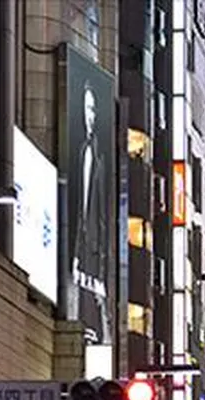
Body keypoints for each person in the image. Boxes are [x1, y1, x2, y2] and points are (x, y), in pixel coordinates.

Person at [70, 79, 112, 344]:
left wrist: (103, 257)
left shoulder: (101, 156)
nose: (90, 115)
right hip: (80, 240)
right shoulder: (80, 150)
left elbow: (102, 214)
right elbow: (78, 206)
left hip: (95, 247)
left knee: (93, 299)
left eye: (94, 110)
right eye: (86, 108)